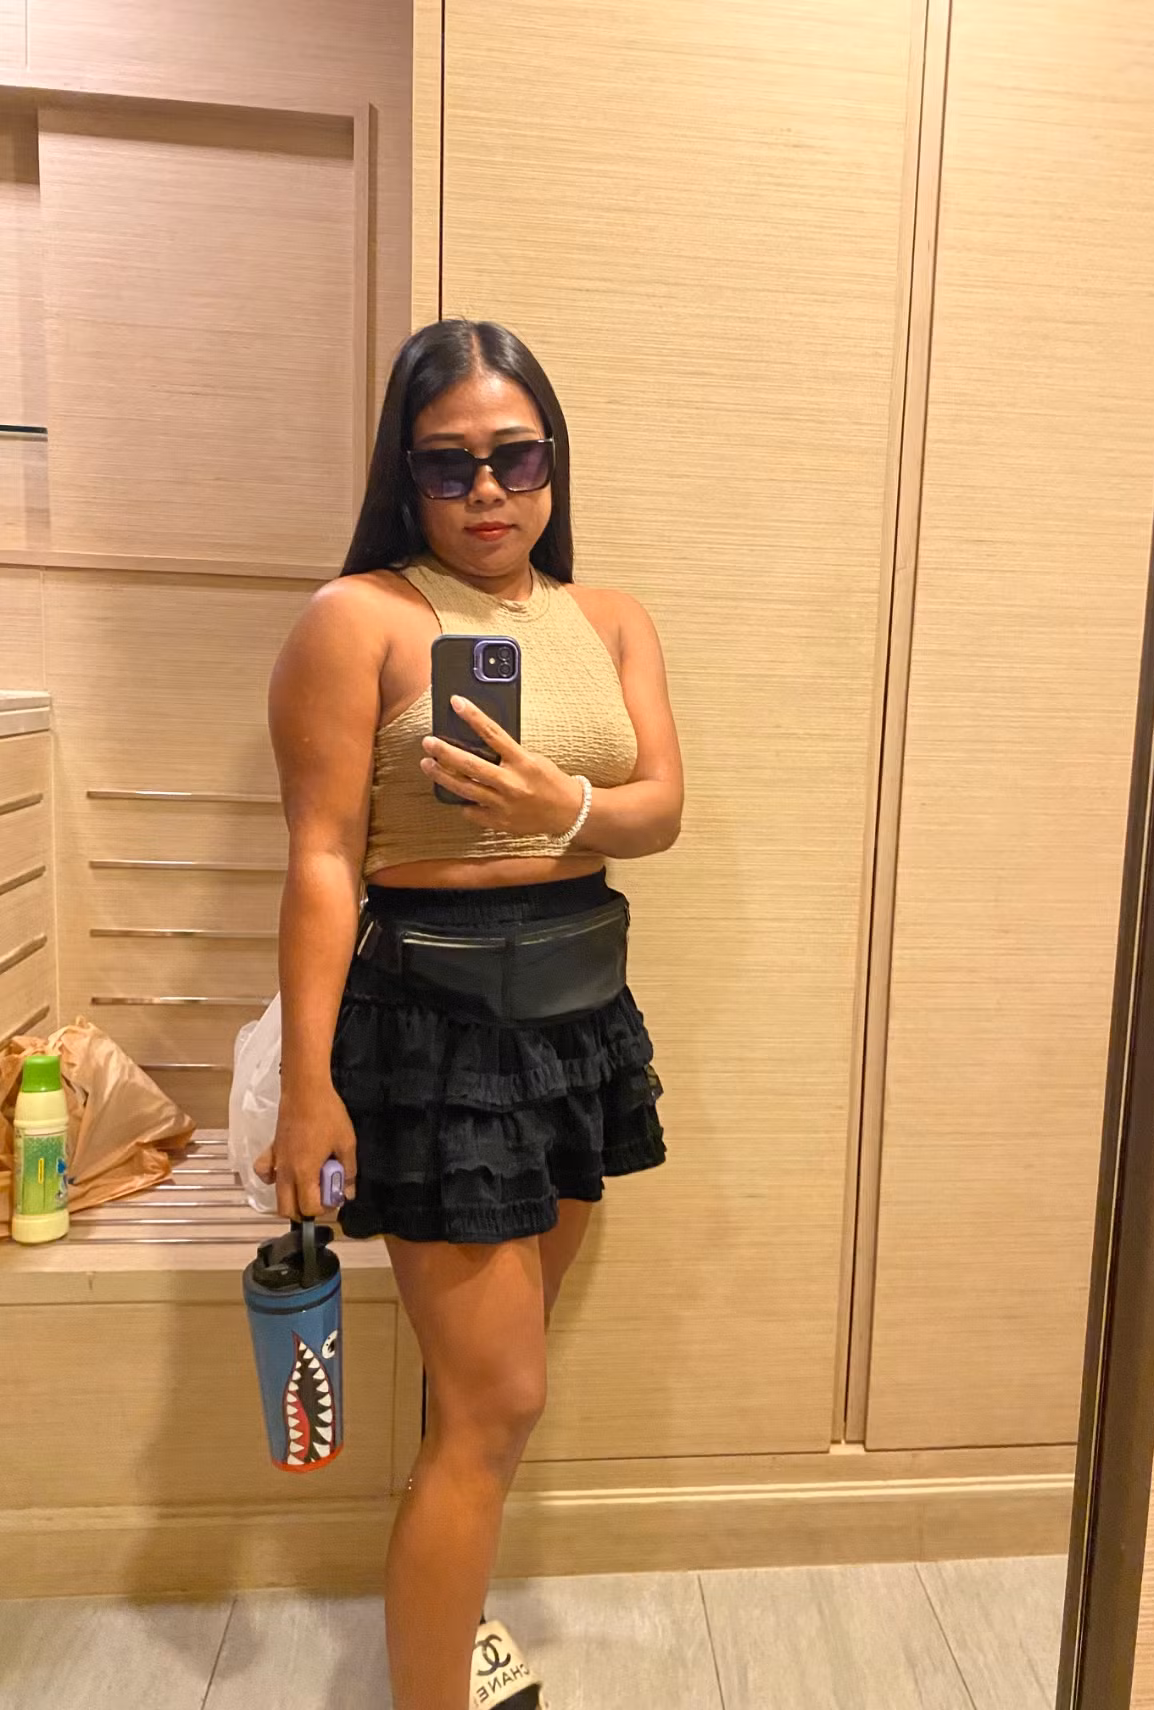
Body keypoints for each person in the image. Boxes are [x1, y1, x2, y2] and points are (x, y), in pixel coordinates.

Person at [258, 319, 683, 1710]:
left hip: (577, 1009)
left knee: (484, 1394)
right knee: (498, 1402)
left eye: (516, 457)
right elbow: (323, 856)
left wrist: (560, 802)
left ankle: (448, 1630)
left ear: (553, 462)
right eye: (449, 466)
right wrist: (310, 1084)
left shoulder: (609, 617)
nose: (488, 491)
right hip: (432, 1025)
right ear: (406, 474)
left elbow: (659, 811)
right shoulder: (359, 618)